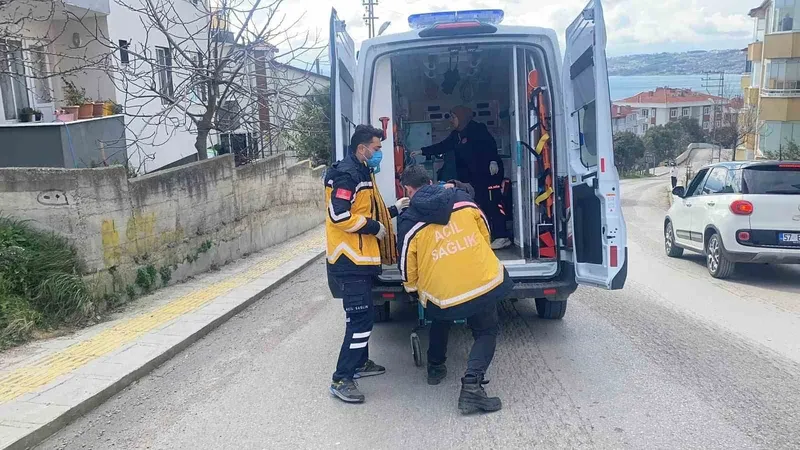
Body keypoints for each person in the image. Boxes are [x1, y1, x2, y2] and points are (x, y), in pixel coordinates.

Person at [396, 165, 514, 414]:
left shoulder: (408, 219)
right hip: (480, 279)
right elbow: (485, 231)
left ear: (407, 190)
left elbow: (407, 263)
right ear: (430, 181)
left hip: (442, 289)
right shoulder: (462, 198)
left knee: (440, 317)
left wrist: (413, 289)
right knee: (486, 330)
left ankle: (435, 368)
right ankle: (472, 386)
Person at [325, 124, 410, 404]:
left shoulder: (362, 171)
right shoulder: (346, 175)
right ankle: (342, 378)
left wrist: (395, 209)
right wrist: (373, 227)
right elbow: (339, 215)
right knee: (360, 319)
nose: (379, 153)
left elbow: (369, 210)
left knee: (360, 317)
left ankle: (360, 363)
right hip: (349, 260)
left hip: (361, 259)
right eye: (376, 148)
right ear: (362, 148)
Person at [412, 106, 511, 250]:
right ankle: (487, 235)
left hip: (488, 175)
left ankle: (502, 236)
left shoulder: (478, 129)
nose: (451, 120)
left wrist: (493, 160)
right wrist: (421, 151)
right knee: (479, 205)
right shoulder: (456, 135)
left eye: (453, 117)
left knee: (492, 203)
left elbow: (490, 145)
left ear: (462, 117)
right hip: (472, 178)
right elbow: (442, 146)